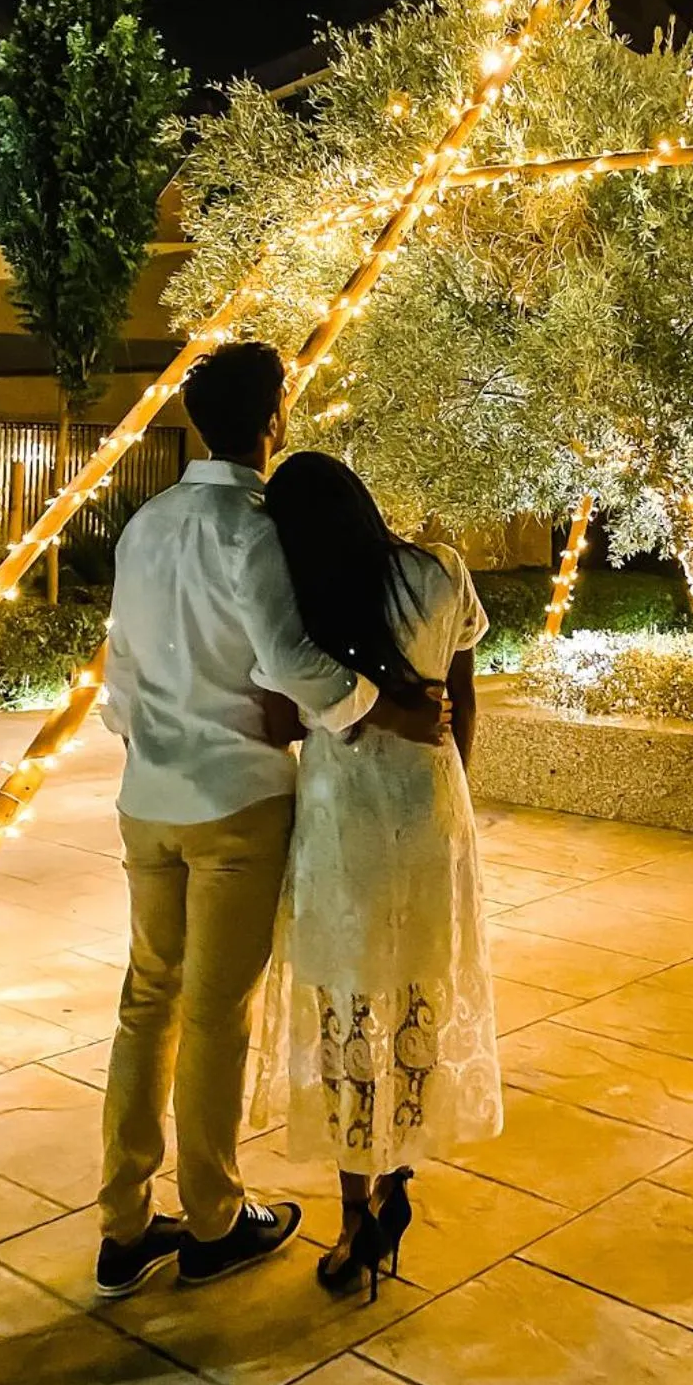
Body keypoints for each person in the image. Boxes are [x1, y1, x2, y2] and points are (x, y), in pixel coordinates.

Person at [94, 342, 447, 1299]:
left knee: (144, 1002)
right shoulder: (253, 531)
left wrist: (148, 744)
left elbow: (117, 676)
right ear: (272, 421)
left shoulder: (145, 525)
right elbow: (291, 662)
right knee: (213, 1015)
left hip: (146, 800)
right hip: (236, 801)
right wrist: (383, 706)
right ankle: (211, 1220)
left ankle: (124, 1224)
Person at [251, 452, 502, 1298]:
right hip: (430, 807)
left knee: (346, 1006)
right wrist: (449, 790)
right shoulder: (441, 571)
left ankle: (356, 1212)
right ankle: (399, 1170)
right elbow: (462, 699)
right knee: (414, 996)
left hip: (342, 814)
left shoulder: (306, 603)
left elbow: (286, 715)